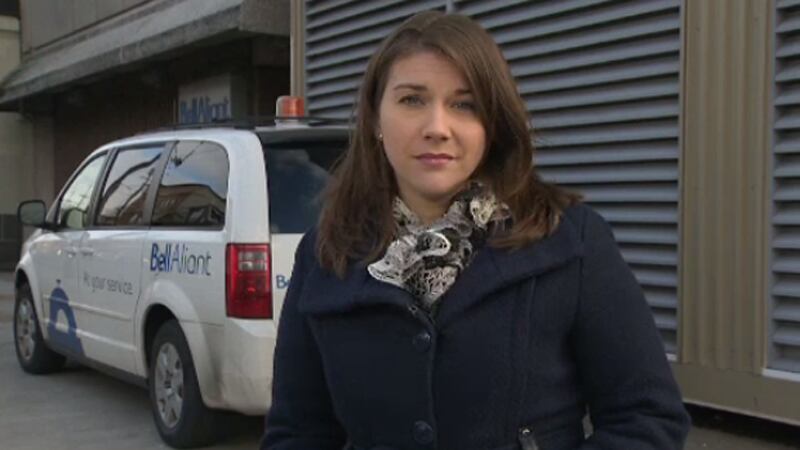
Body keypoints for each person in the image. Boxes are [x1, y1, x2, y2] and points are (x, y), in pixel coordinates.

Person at [261, 11, 690, 450]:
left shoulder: (569, 240)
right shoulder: (326, 253)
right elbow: (297, 433)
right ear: (374, 119)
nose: (437, 128)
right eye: (412, 100)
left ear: (493, 124)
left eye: (464, 105)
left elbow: (647, 418)